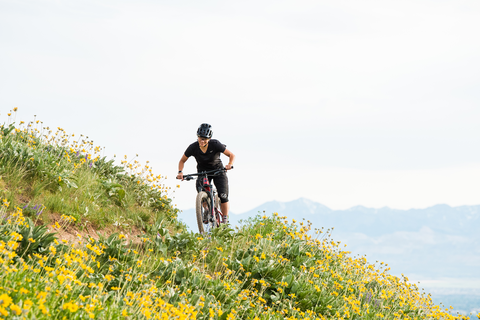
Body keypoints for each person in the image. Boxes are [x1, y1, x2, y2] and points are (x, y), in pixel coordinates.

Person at [176, 123, 235, 222]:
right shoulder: (193, 147)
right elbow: (182, 160)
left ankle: (225, 219)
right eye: (200, 138)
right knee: (201, 191)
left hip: (218, 171)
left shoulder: (215, 144)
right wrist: (180, 172)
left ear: (209, 139)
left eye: (205, 139)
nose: (202, 141)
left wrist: (229, 164)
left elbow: (231, 155)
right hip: (202, 172)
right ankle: (206, 210)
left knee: (223, 195)